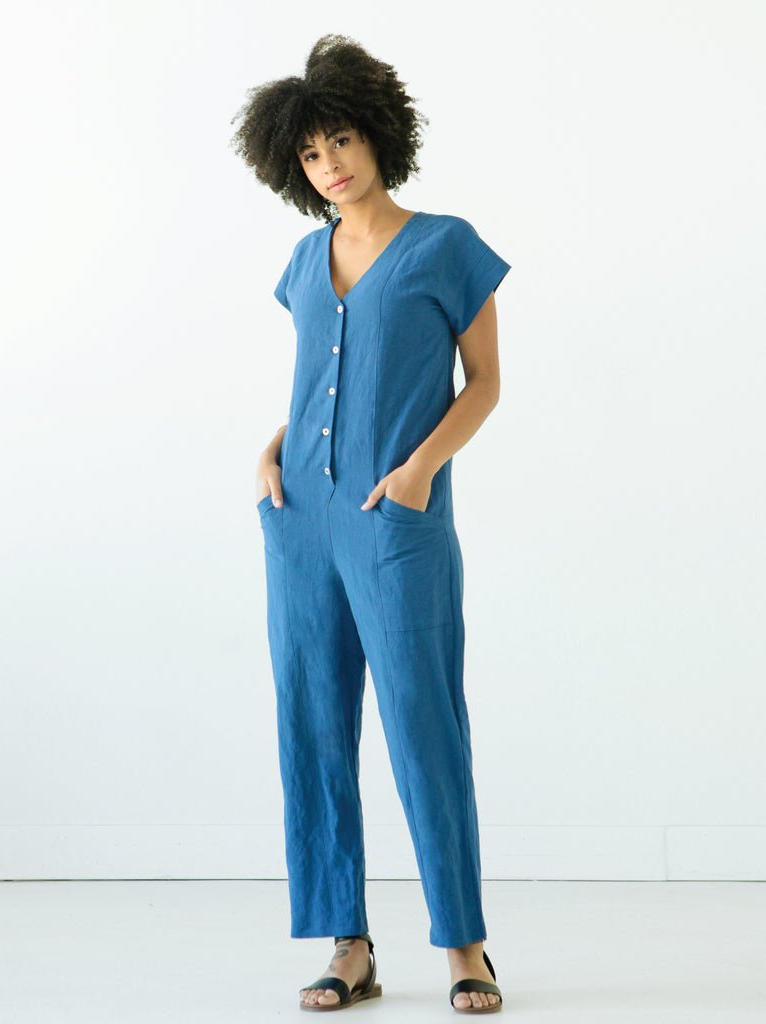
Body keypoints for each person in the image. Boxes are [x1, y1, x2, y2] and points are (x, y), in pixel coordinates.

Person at [231, 33, 510, 1014]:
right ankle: (347, 943)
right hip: (298, 514)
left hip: (396, 519)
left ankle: (465, 946)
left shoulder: (444, 246)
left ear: (379, 133)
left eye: (341, 141)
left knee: (424, 723)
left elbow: (485, 383)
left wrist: (420, 470)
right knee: (311, 722)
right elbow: (318, 382)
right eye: (310, 153)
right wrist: (270, 450)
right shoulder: (305, 260)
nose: (330, 165)